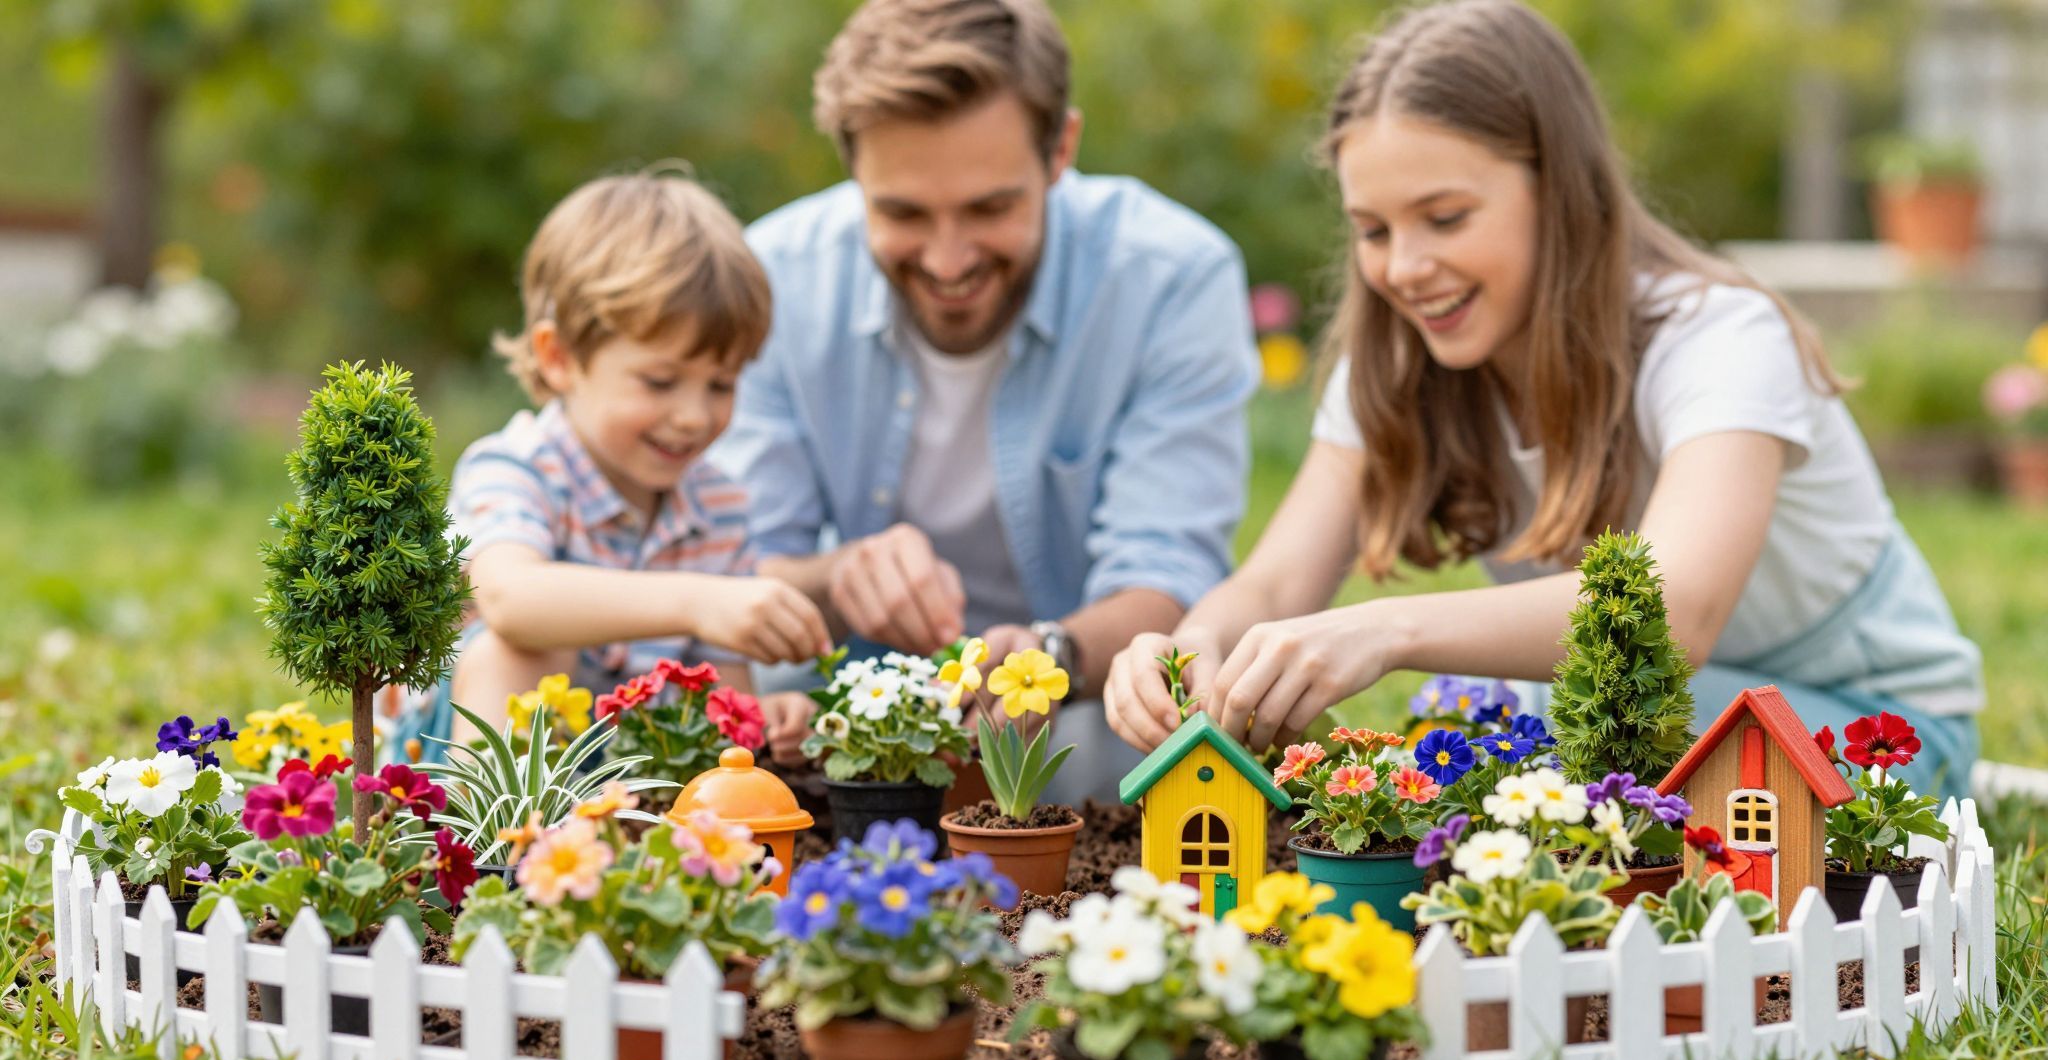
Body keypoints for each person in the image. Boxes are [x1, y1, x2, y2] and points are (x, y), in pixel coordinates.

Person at [1103, 0, 1982, 799]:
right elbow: (1275, 581)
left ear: (1557, 189)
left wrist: (1388, 629)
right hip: (1631, 722)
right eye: (1373, 231)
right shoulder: (1401, 367)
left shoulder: (1719, 337)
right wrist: (1189, 652)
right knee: (1499, 740)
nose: (1404, 267)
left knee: (1528, 737)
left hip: (1872, 730)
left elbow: (1671, 618)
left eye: (1445, 218)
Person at [712, 0, 1261, 802]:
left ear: (1060, 149)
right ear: (853, 171)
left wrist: (1047, 657)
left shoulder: (1172, 278)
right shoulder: (772, 280)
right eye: (901, 212)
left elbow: (1166, 575)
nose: (947, 258)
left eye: (989, 208)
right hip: (841, 750)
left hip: (1087, 746)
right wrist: (841, 575)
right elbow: (729, 566)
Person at [393, 168, 831, 761]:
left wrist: (765, 719)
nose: (694, 417)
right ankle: (492, 847)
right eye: (660, 381)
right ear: (559, 358)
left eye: (721, 385)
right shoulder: (516, 468)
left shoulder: (719, 506)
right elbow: (512, 600)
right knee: (521, 654)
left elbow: (724, 688)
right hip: (457, 757)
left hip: (623, 778)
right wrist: (697, 600)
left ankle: (668, 852)